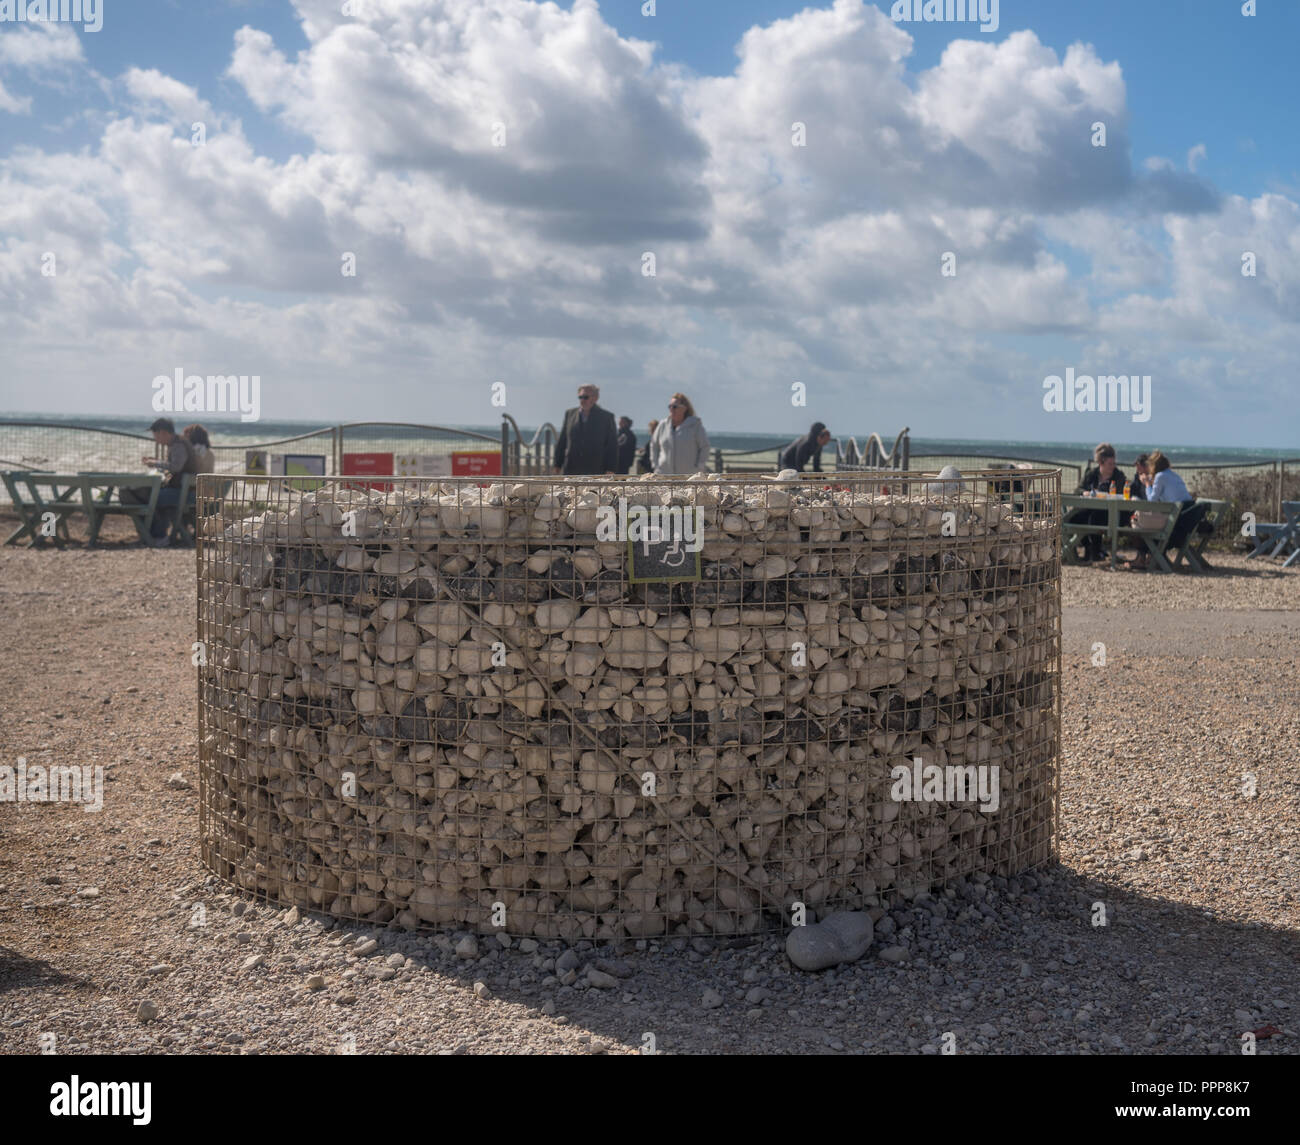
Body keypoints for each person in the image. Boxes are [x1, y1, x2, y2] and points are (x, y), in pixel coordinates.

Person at [122, 417, 199, 547]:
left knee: (149, 497)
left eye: (156, 435)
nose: (155, 439)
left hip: (184, 493)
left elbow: (176, 466)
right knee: (147, 495)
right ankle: (154, 534)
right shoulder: (178, 443)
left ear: (163, 432)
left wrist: (156, 463)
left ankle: (156, 535)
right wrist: (158, 462)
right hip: (183, 490)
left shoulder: (178, 445)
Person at [1073, 444, 1134, 561]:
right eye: (1109, 464)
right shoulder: (1091, 475)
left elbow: (1123, 496)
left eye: (1113, 463)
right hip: (1090, 510)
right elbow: (1077, 490)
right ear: (1101, 462)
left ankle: (1095, 552)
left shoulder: (1119, 477)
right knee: (1075, 518)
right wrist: (1085, 492)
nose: (1113, 466)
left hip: (1112, 514)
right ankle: (1088, 548)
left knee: (1094, 518)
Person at [553, 384, 618, 475]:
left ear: (595, 398)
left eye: (585, 397)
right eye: (580, 397)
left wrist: (611, 469)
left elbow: (612, 445)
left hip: (596, 469)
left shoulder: (606, 417)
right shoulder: (570, 414)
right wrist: (557, 464)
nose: (582, 400)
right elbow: (562, 441)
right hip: (571, 468)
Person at [651, 393, 710, 475]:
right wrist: (656, 466)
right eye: (670, 406)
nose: (671, 409)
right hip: (664, 475)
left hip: (689, 476)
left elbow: (704, 447)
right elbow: (654, 446)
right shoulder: (663, 425)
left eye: (675, 407)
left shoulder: (695, 425)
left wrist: (699, 467)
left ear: (684, 408)